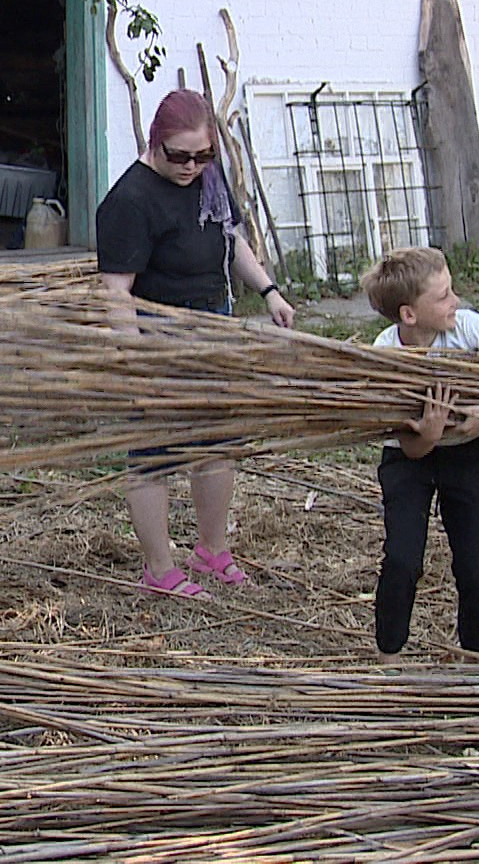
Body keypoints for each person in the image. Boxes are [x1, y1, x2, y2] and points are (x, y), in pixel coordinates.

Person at [96, 88, 294, 599]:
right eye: (178, 155)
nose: (190, 166)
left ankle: (210, 551)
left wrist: (267, 290)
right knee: (154, 455)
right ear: (154, 142)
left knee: (216, 445)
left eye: (202, 155)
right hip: (159, 337)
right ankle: (159, 570)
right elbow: (116, 291)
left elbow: (231, 240)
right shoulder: (129, 201)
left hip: (213, 328)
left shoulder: (208, 176)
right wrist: (135, 359)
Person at [360, 246, 479, 663]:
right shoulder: (387, 355)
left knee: (476, 566)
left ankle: (474, 657)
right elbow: (408, 446)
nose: (456, 302)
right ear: (409, 314)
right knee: (402, 560)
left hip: (465, 453)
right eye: (444, 296)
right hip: (407, 460)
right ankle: (389, 657)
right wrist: (428, 436)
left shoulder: (465, 326)